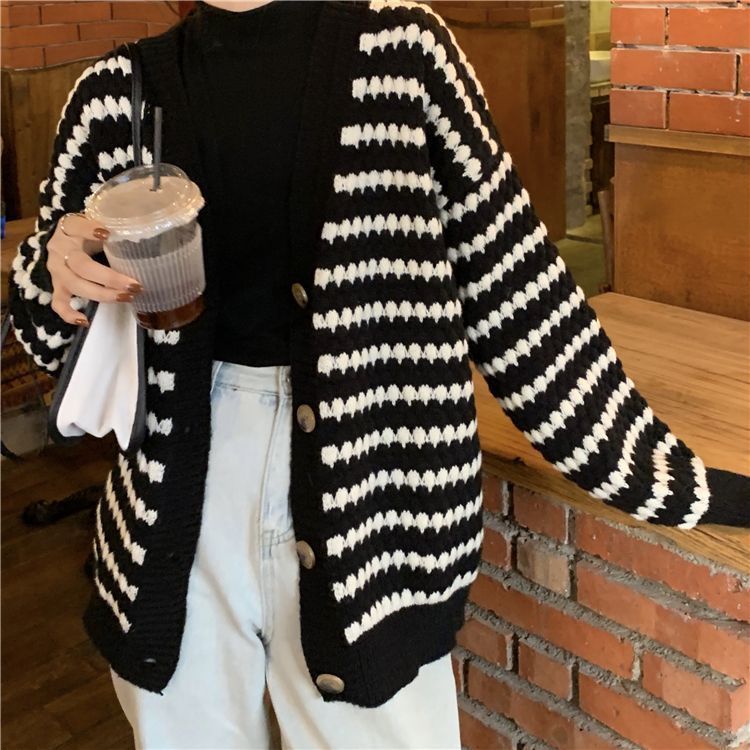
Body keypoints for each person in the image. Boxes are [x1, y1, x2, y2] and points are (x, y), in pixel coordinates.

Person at [7, 1, 749, 748]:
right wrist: (53, 266)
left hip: (376, 496)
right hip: (171, 510)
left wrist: (674, 480)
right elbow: (42, 336)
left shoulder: (404, 54)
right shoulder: (113, 95)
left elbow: (519, 293)